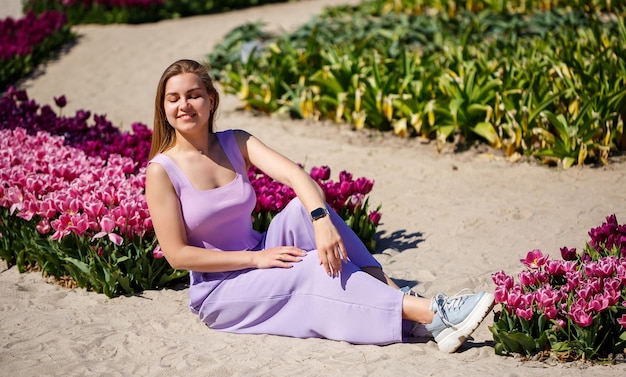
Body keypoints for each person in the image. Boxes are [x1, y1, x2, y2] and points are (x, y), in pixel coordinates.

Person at [145, 59, 495, 353]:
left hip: (258, 251)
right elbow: (177, 255)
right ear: (164, 107)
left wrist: (320, 220)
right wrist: (255, 259)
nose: (184, 106)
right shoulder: (162, 171)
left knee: (301, 210)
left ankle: (401, 304)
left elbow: (298, 177)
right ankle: (432, 312)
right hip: (220, 289)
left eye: (193, 95)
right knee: (313, 266)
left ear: (211, 100)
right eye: (173, 98)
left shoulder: (235, 141)